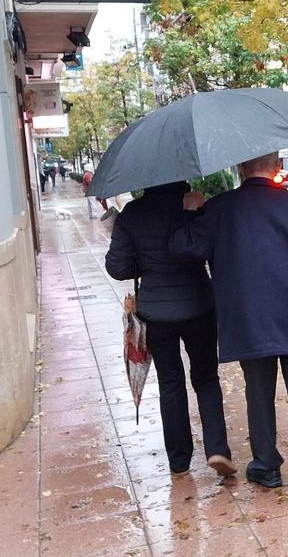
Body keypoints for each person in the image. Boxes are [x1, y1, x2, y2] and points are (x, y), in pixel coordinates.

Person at [169, 153, 288, 508]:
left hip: (250, 321)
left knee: (258, 394)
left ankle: (267, 466)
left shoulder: (219, 209)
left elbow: (183, 248)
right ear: (278, 165)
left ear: (239, 168)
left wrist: (190, 211)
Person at [105, 182, 234, 477]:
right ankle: (217, 449)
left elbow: (118, 269)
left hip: (156, 312)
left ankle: (179, 460)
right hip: (199, 305)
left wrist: (136, 250)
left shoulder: (132, 214)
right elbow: (209, 247)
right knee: (205, 378)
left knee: (170, 383)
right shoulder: (195, 205)